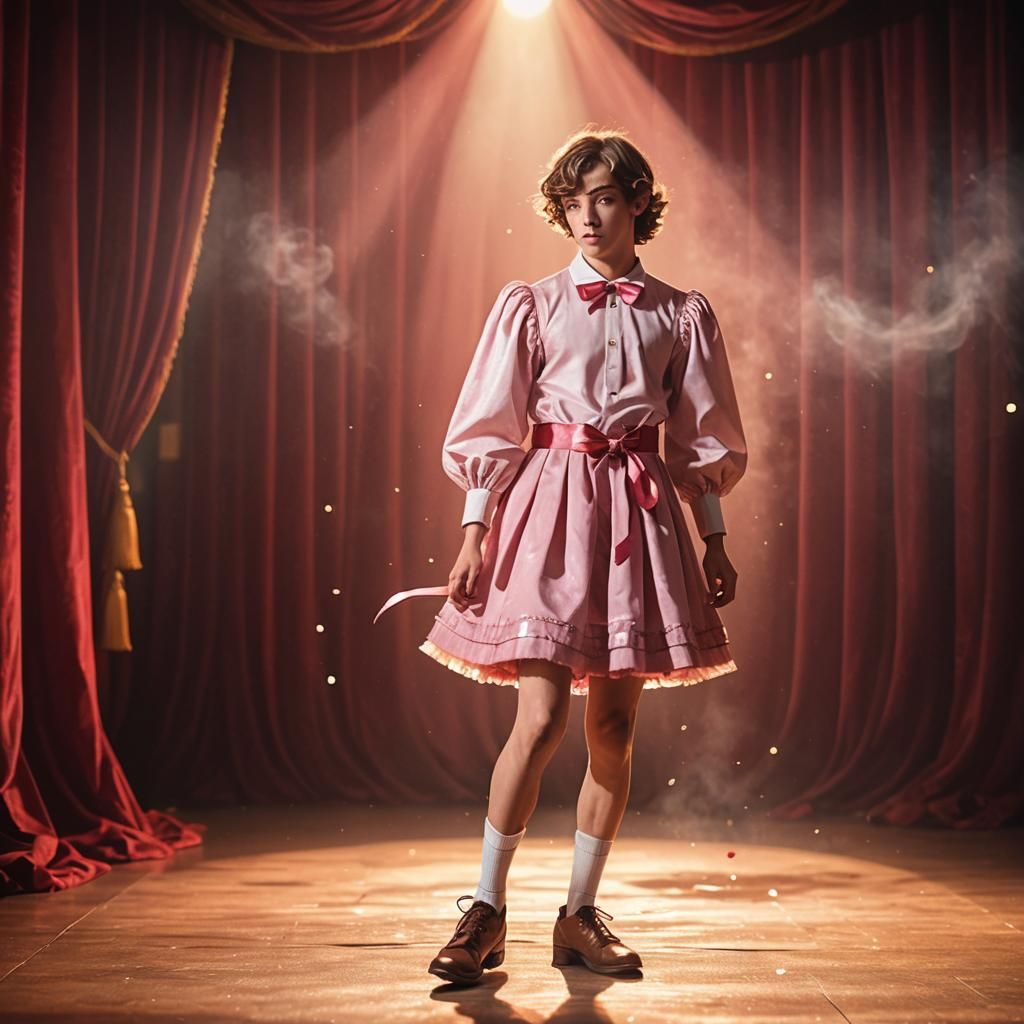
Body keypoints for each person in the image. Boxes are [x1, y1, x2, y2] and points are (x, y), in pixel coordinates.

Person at [374, 127, 747, 985]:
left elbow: (699, 434)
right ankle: (485, 912)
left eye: (605, 196)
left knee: (613, 727)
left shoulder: (678, 311)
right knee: (538, 721)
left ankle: (579, 915)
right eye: (574, 199)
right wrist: (473, 532)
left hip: (639, 516)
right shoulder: (531, 303)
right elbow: (494, 422)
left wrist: (714, 535)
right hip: (550, 508)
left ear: (638, 202)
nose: (586, 214)